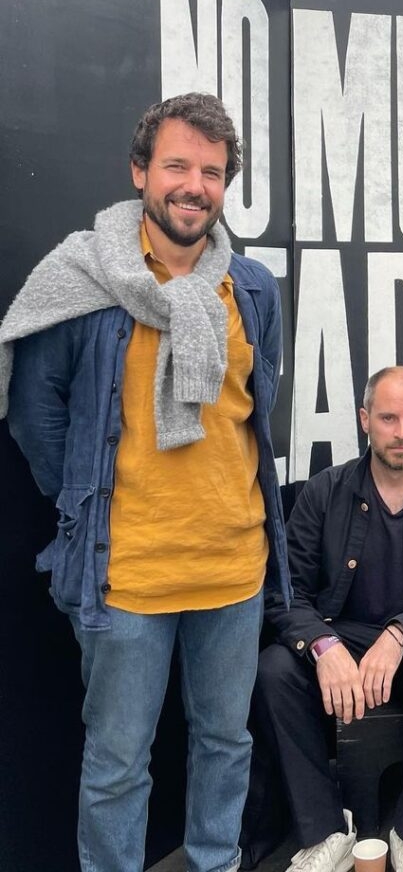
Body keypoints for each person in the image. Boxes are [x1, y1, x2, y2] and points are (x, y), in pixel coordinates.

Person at [0, 92, 290, 872]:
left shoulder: (253, 287)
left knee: (226, 744)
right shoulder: (83, 279)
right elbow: (36, 413)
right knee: (119, 763)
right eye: (178, 166)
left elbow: (255, 408)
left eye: (213, 171)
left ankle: (215, 862)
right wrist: (96, 500)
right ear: (140, 171)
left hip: (233, 568)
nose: (195, 185)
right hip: (123, 573)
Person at [246, 366, 403, 872]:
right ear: (364, 420)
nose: (401, 432)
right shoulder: (324, 492)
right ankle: (325, 832)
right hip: (342, 642)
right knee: (273, 668)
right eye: (388, 418)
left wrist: (402, 633)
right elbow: (284, 593)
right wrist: (322, 647)